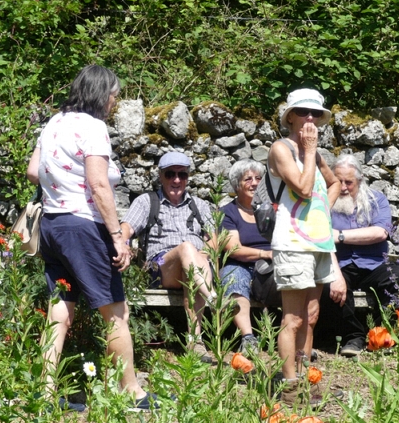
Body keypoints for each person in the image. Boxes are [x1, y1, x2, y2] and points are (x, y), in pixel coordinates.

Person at [26, 64, 156, 412]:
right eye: (114, 94)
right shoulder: (93, 128)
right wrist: (117, 236)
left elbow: (32, 171)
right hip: (84, 228)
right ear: (101, 94)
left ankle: (44, 390)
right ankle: (130, 392)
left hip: (53, 227)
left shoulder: (54, 122)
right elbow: (99, 185)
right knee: (115, 312)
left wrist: (61, 184)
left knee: (59, 311)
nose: (115, 101)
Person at [268, 88, 342, 406]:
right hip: (292, 243)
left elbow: (334, 183)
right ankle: (289, 385)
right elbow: (302, 187)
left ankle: (305, 378)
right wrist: (310, 151)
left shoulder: (317, 154)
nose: (309, 119)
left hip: (317, 243)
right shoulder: (281, 149)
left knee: (311, 316)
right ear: (290, 117)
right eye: (303, 112)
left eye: (315, 114)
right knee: (293, 319)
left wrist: (321, 215)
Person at [121, 152, 215, 360]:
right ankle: (214, 299)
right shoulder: (147, 202)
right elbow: (127, 226)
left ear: (188, 177)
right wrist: (123, 242)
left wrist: (204, 254)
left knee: (192, 261)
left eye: (182, 175)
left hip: (195, 265)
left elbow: (214, 240)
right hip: (160, 264)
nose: (176, 180)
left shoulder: (200, 205)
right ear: (161, 176)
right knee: (186, 248)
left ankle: (195, 342)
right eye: (170, 174)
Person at [320, 155, 399, 356]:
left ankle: (380, 332)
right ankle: (354, 336)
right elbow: (320, 237)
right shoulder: (325, 202)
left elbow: (379, 232)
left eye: (348, 182)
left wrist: (339, 236)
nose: (342, 187)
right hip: (341, 264)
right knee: (327, 286)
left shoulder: (377, 200)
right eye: (338, 181)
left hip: (374, 263)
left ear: (359, 181)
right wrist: (336, 275)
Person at [220, 159, 274, 354]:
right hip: (240, 263)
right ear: (237, 185)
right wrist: (265, 253)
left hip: (271, 264)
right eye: (248, 179)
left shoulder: (273, 210)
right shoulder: (228, 213)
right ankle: (248, 337)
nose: (255, 183)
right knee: (233, 277)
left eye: (259, 178)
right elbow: (233, 249)